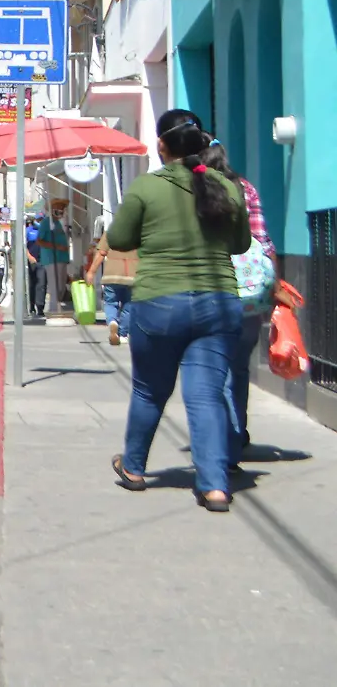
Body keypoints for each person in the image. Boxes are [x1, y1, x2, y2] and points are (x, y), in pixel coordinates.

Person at [108, 109, 250, 512]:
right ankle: (215, 486)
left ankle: (134, 468)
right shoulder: (227, 186)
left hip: (160, 302)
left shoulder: (146, 188)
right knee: (205, 397)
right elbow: (240, 245)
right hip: (219, 303)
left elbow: (119, 239)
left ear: (161, 146)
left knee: (149, 390)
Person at [201, 142, 277, 461]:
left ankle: (224, 443)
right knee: (239, 369)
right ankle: (236, 433)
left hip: (211, 288)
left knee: (211, 370)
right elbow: (263, 241)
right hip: (249, 291)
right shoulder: (246, 188)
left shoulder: (198, 190)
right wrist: (273, 287)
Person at [84, 230, 137, 347]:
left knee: (110, 303)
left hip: (111, 275)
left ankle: (112, 321)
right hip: (132, 276)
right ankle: (123, 335)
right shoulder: (139, 233)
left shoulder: (110, 233)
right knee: (129, 305)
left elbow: (101, 254)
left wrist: (91, 272)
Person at [39, 200, 72, 312]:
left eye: (62, 208)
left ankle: (57, 307)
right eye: (58, 207)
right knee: (54, 286)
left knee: (61, 286)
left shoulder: (59, 223)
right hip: (52, 259)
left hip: (61, 259)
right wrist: (57, 246)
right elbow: (39, 241)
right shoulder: (46, 223)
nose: (61, 210)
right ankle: (53, 309)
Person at [25, 215, 45, 317]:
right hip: (32, 261)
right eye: (38, 220)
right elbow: (23, 245)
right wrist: (29, 257)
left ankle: (40, 307)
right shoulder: (28, 231)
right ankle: (32, 306)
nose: (40, 222)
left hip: (42, 261)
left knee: (41, 285)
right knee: (32, 284)